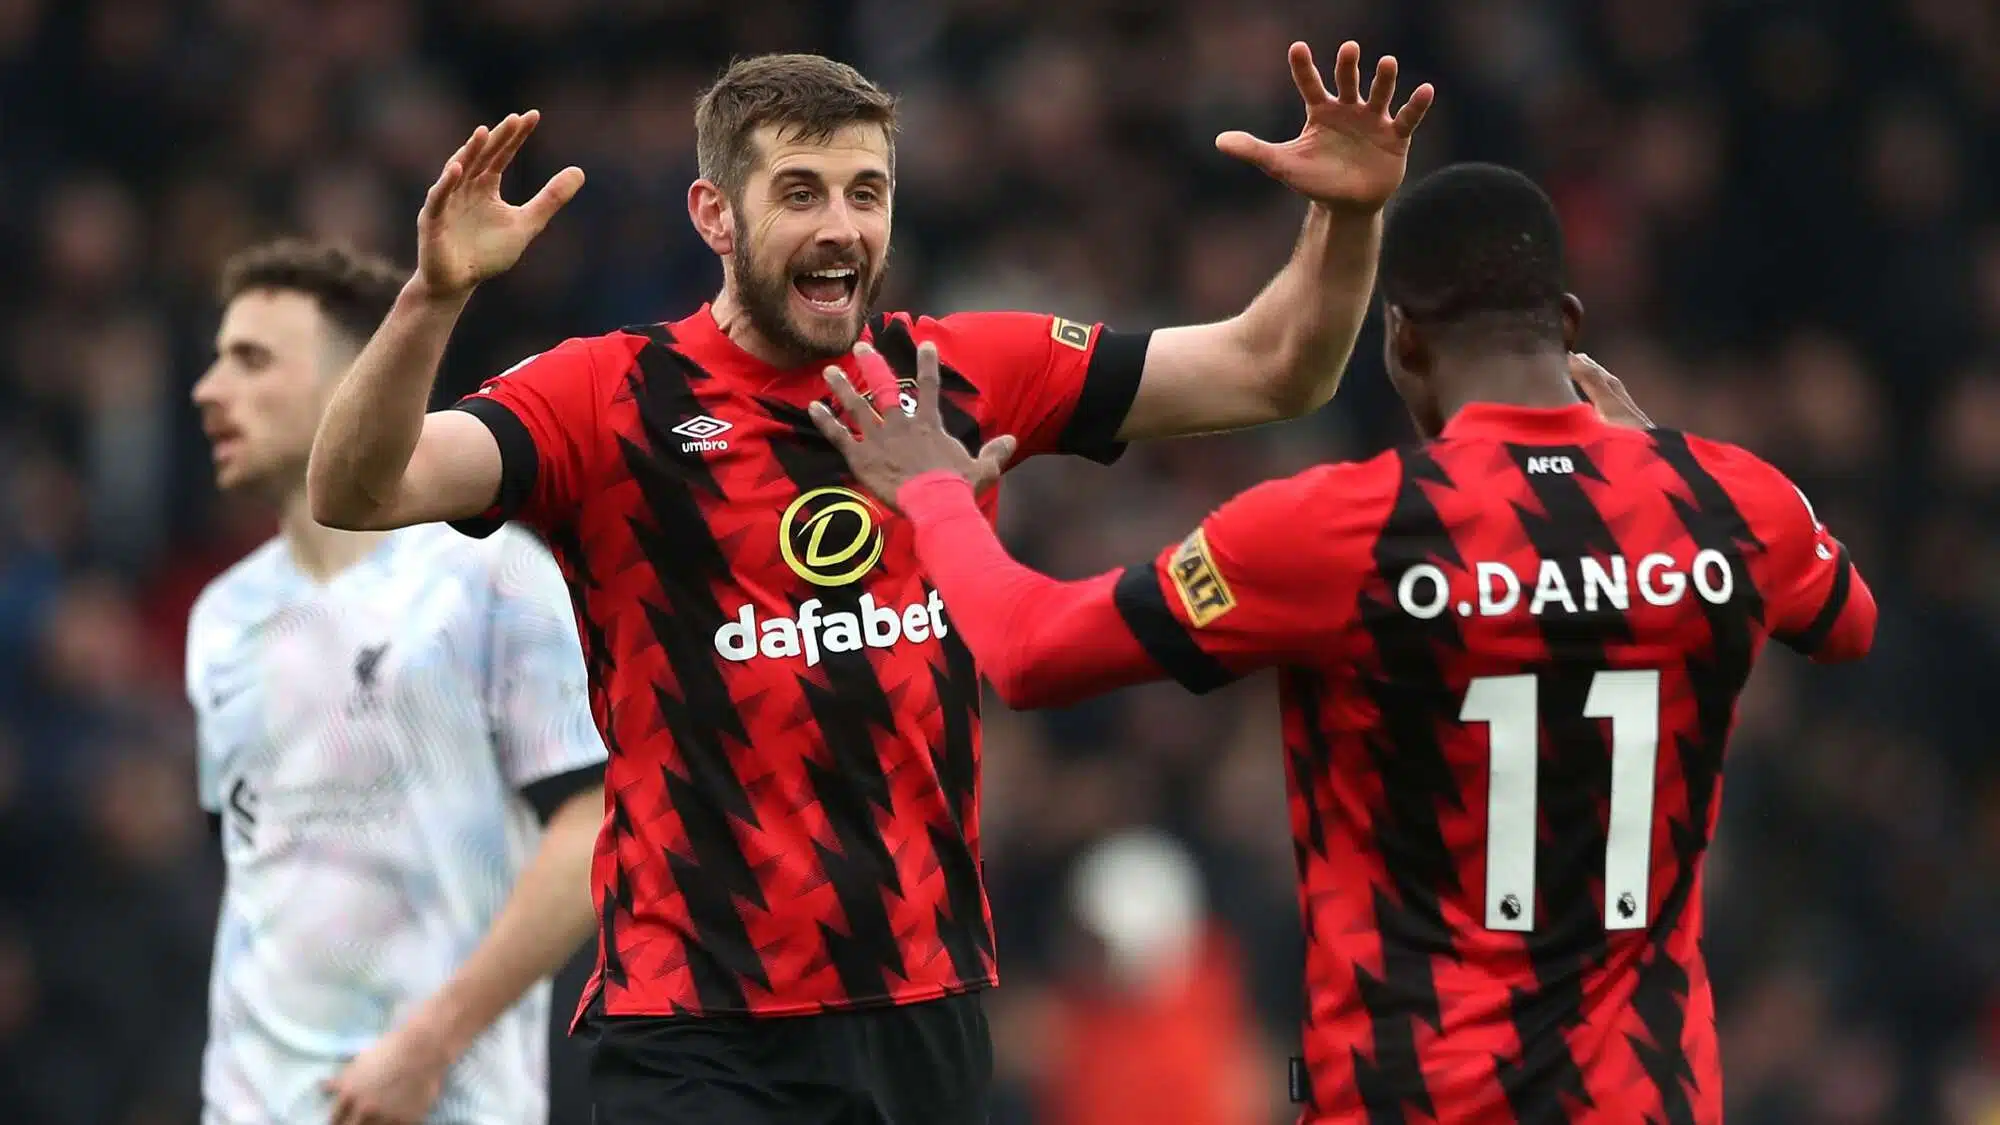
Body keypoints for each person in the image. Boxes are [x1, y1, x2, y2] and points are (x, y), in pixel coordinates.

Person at [303, 41, 1431, 1125]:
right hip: (698, 1025)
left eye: (866, 193)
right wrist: (432, 296)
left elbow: (1274, 369)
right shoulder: (604, 397)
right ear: (715, 216)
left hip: (923, 1011)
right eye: (799, 193)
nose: (840, 225)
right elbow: (359, 487)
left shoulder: (962, 372)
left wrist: (1347, 215)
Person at [810, 162, 1878, 1124]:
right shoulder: (1727, 502)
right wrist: (1654, 459)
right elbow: (1847, 623)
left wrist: (936, 494)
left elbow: (1031, 651)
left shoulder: (1341, 528)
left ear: (1401, 340)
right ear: (1566, 323)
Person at [186, 238, 606, 1125]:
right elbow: (259, 875)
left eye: (252, 360)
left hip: (443, 1096)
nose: (209, 389)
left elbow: (592, 825)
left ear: (353, 379)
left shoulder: (491, 577)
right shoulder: (220, 617)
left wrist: (430, 1041)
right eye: (218, 359)